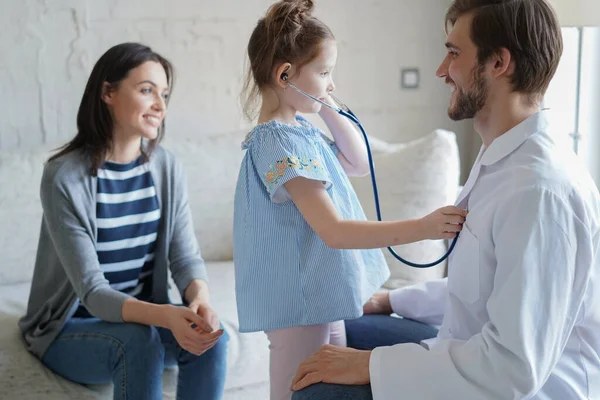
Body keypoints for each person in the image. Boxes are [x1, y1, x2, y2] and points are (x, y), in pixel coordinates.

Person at [291, 0, 600, 399]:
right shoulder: (500, 160)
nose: (441, 70)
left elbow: (510, 368)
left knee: (317, 391)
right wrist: (389, 300)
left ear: (498, 63)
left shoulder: (540, 193)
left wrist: (368, 365)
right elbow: (482, 292)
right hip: (467, 352)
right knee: (326, 333)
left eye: (454, 53)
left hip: (517, 386)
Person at [233, 1, 467, 399]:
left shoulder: (302, 131)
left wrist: (327, 107)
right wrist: (422, 227)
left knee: (325, 390)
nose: (331, 83)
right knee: (299, 392)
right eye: (324, 73)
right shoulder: (276, 140)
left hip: (323, 296)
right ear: (285, 75)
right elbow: (334, 231)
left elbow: (358, 162)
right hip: (301, 302)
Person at [18, 42, 228, 400]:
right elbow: (94, 292)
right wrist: (164, 316)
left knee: (213, 341)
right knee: (139, 342)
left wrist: (200, 300)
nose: (160, 105)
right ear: (108, 93)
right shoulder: (64, 177)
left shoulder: (167, 167)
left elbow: (184, 256)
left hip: (142, 316)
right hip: (70, 327)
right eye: (147, 90)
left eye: (164, 94)